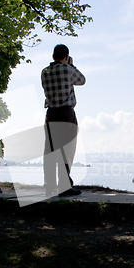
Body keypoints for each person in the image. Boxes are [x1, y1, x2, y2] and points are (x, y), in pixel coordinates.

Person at [41, 44, 86, 197]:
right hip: (66, 113)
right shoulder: (68, 69)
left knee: (50, 150)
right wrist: (71, 65)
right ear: (66, 56)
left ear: (53, 57)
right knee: (65, 150)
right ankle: (65, 186)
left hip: (51, 113)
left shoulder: (44, 72)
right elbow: (82, 80)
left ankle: (49, 185)